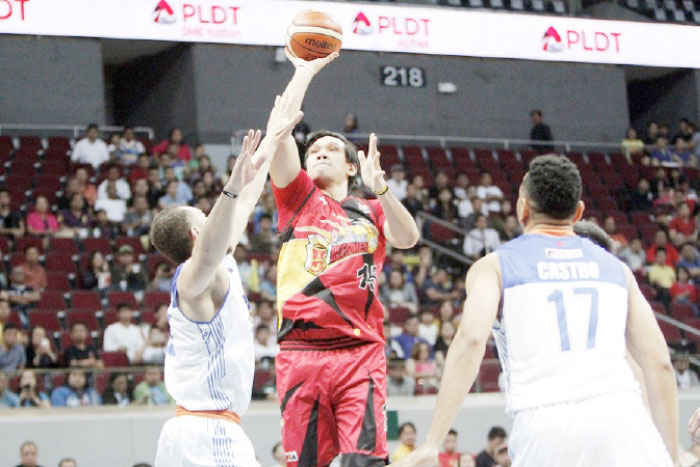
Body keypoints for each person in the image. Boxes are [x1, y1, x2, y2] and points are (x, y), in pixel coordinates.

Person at [390, 155, 677, 467]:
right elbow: (660, 364)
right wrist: (671, 458)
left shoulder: (495, 266)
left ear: (521, 208)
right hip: (623, 418)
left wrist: (434, 441)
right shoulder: (617, 269)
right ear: (578, 212)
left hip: (546, 424)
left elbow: (471, 340)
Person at [270, 50, 419, 467]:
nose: (318, 152)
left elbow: (408, 238)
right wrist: (304, 72)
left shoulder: (371, 209)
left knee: (366, 462)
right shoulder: (296, 202)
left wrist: (383, 191)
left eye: (331, 149)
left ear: (353, 168)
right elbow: (280, 132)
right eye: (313, 149)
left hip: (360, 353)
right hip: (301, 352)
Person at [151, 95, 302, 466]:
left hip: (202, 428)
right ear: (194, 232)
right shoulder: (191, 279)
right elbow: (208, 246)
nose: (213, 218)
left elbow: (248, 195)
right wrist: (230, 187)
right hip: (207, 431)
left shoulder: (221, 263)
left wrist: (274, 135)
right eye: (204, 216)